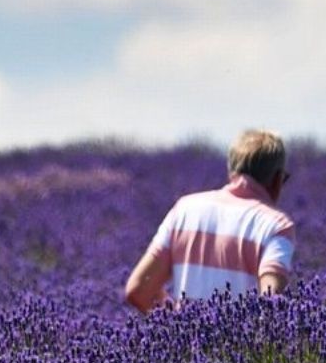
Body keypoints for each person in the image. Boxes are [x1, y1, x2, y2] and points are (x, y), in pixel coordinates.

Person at [124, 129, 296, 313]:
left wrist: (179, 326)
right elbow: (271, 304)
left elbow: (139, 289)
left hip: (185, 341)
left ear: (232, 171)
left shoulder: (183, 210)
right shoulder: (276, 225)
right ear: (277, 179)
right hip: (241, 341)